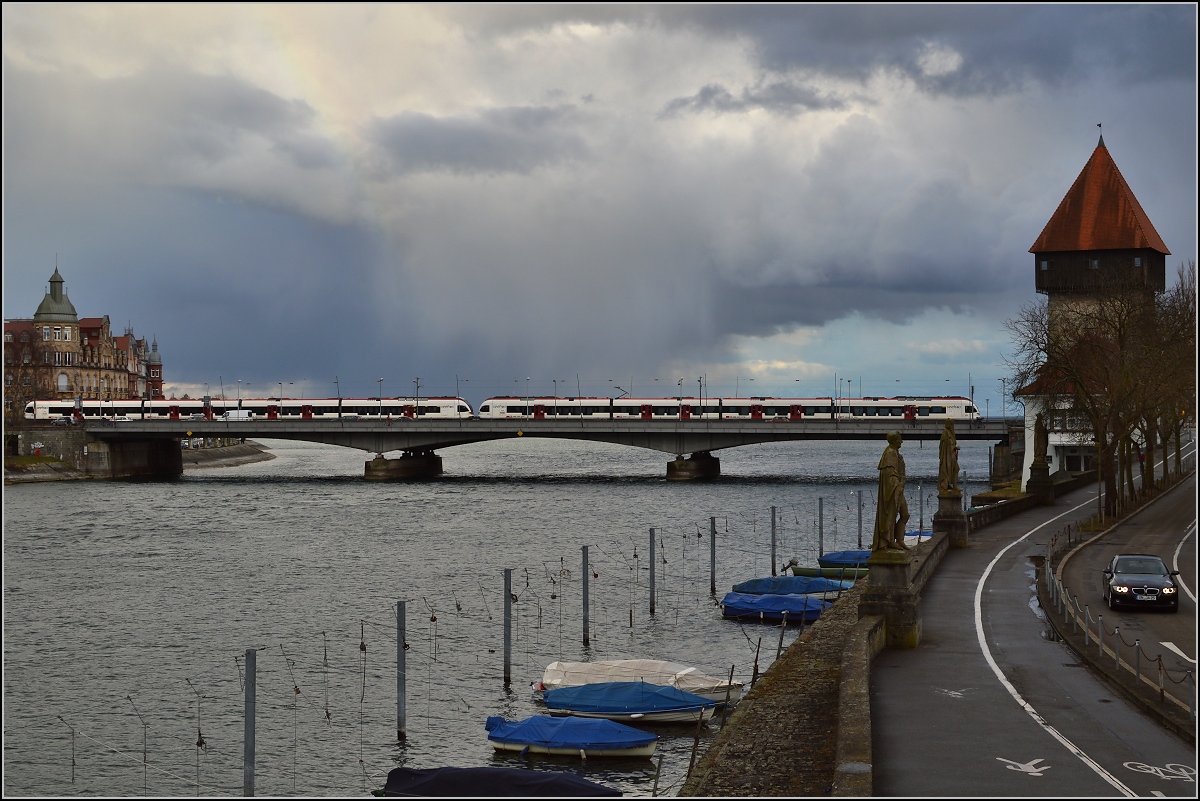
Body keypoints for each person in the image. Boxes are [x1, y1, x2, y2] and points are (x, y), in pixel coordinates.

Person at [872, 431, 910, 551]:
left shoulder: (895, 453)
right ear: (894, 441)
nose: (902, 441)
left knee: (905, 514)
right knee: (891, 515)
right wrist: (897, 485)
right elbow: (889, 474)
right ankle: (890, 539)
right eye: (900, 439)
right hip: (893, 490)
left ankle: (899, 540)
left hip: (898, 489)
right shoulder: (890, 454)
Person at [938, 418, 960, 494]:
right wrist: (954, 447)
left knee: (956, 469)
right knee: (950, 469)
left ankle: (954, 485)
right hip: (947, 456)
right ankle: (947, 485)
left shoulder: (951, 433)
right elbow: (944, 446)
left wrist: (954, 448)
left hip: (952, 454)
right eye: (952, 424)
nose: (952, 426)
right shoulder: (945, 433)